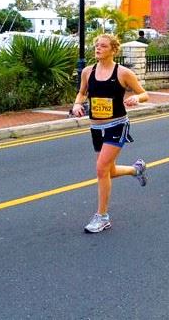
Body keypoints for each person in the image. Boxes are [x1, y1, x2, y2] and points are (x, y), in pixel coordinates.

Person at [71, 33, 150, 233]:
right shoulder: (88, 72)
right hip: (96, 127)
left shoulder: (123, 73)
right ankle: (136, 170)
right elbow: (82, 92)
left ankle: (102, 216)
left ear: (113, 50)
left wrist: (137, 100)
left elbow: (144, 93)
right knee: (109, 171)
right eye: (96, 45)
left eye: (103, 46)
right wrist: (77, 103)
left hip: (117, 125)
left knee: (100, 169)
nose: (98, 48)